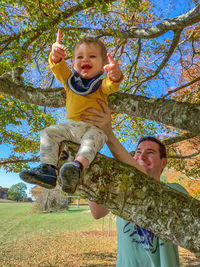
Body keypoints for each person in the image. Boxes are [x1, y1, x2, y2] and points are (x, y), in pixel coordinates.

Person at [82, 100, 188, 267]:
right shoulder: (122, 190)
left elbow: (149, 190)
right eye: (137, 153)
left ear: (164, 162)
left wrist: (110, 136)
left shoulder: (175, 190)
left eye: (150, 152)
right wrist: (87, 156)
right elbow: (97, 212)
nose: (141, 157)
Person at [19, 30, 122, 193]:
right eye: (80, 57)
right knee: (48, 132)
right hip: (70, 127)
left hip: (92, 128)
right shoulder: (70, 81)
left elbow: (112, 84)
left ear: (103, 66)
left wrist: (115, 75)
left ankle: (75, 168)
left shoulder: (100, 86)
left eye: (92, 57)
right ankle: (48, 170)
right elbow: (58, 67)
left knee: (93, 140)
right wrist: (55, 55)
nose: (85, 59)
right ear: (73, 63)